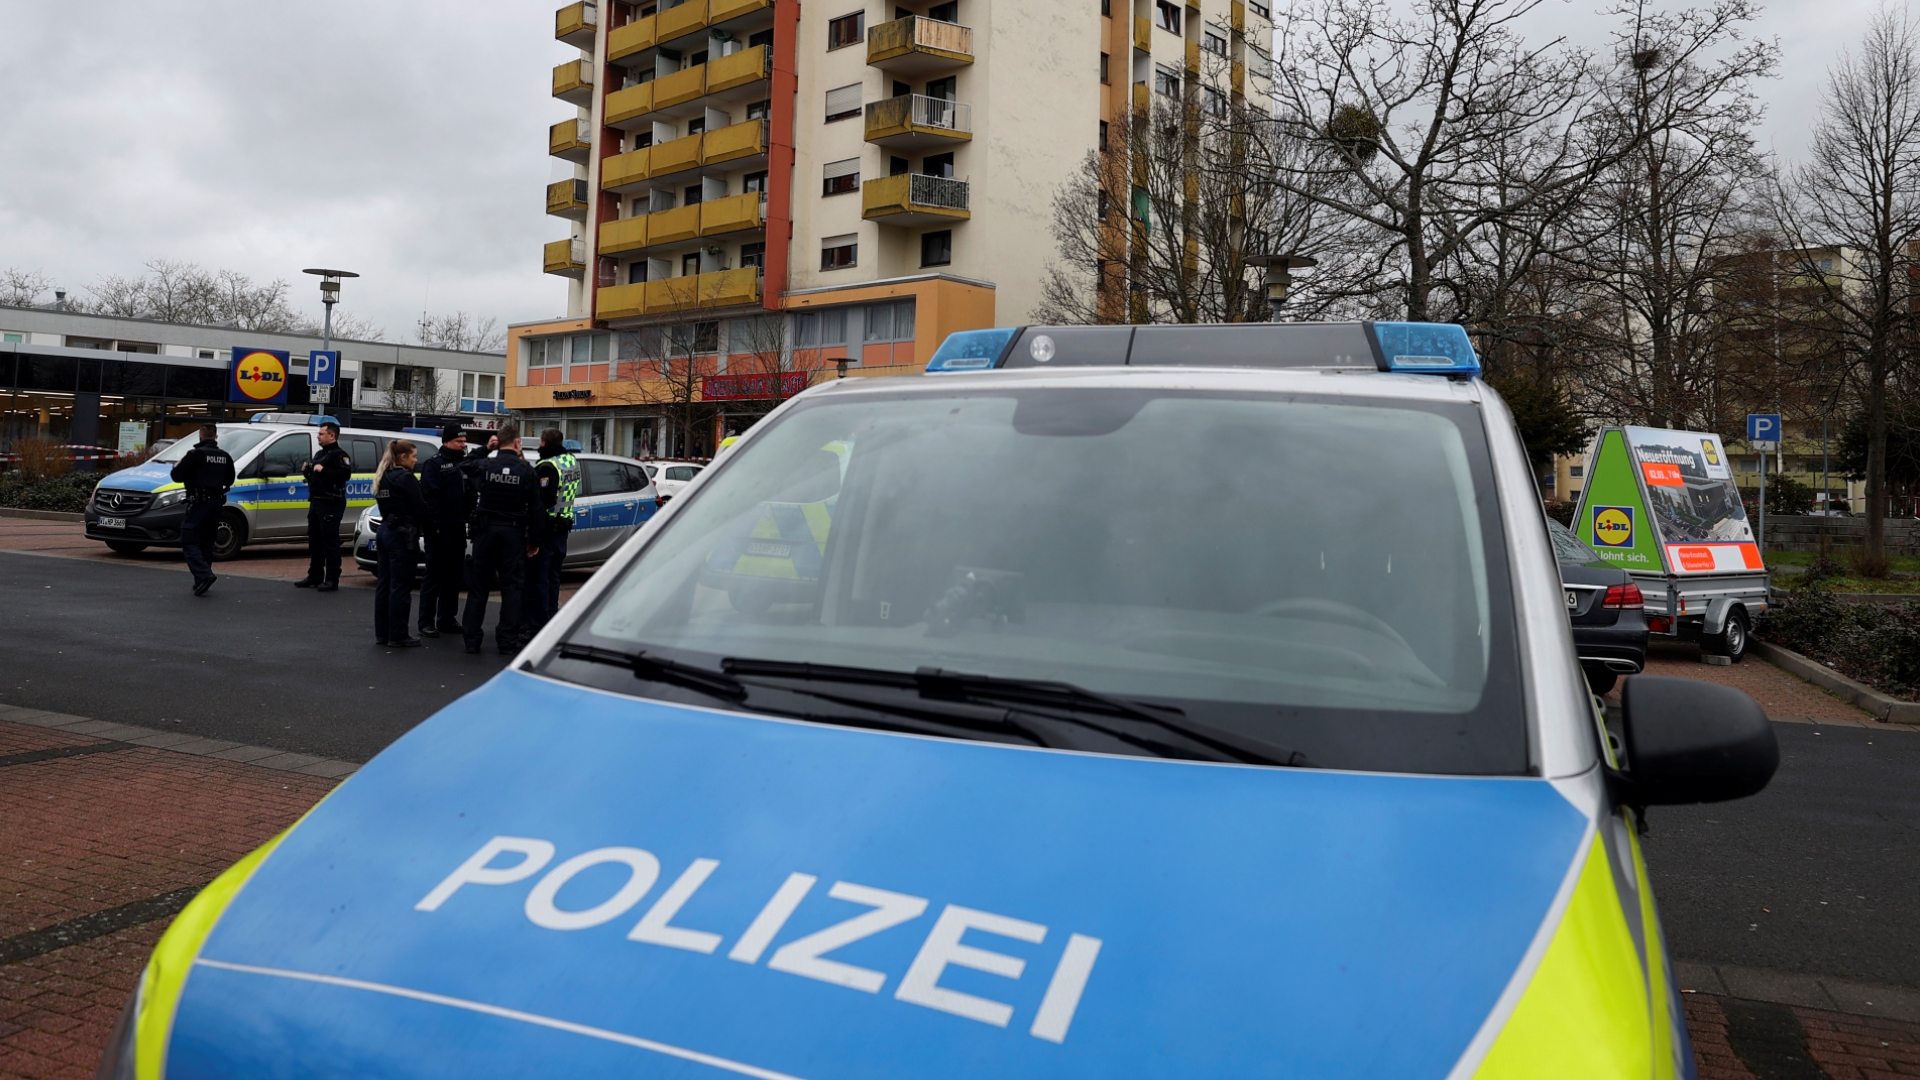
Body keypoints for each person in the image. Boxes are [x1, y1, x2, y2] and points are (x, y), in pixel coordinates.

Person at [461, 425, 542, 655]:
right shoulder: (526, 470)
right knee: (512, 588)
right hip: (513, 534)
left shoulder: (486, 465)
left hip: (485, 533)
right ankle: (506, 641)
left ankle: (471, 640)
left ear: (497, 442)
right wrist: (535, 540)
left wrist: (485, 449)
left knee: (478, 587)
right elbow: (537, 508)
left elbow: (464, 464)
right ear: (517, 443)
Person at [372, 439, 428, 648]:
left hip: (385, 531)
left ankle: (383, 633)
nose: (416, 460)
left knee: (384, 585)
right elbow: (420, 508)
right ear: (403, 457)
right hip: (402, 534)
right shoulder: (405, 478)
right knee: (401, 586)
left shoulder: (383, 476)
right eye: (413, 456)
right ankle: (398, 634)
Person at [417, 424, 470, 637]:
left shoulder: (464, 464)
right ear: (447, 441)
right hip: (439, 530)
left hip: (458, 528)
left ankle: (447, 618)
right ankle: (426, 621)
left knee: (454, 576)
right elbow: (430, 498)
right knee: (434, 577)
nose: (463, 445)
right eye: (459, 441)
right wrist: (435, 526)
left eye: (464, 441)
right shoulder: (434, 464)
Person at [169, 423, 234, 597]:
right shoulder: (225, 456)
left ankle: (204, 575)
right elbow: (230, 479)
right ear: (216, 436)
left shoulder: (195, 455)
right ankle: (201, 580)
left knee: (188, 540)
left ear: (200, 436)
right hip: (216, 504)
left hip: (199, 504)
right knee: (207, 542)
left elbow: (176, 475)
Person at [526, 428, 580, 630]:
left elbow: (544, 499)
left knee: (540, 578)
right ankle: (551, 617)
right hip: (563, 526)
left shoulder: (547, 466)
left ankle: (539, 624)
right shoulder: (571, 460)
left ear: (543, 443)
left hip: (547, 527)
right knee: (553, 577)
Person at [295, 421, 353, 592]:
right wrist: (308, 470)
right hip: (317, 501)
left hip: (331, 502)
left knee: (330, 541)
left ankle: (332, 579)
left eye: (321, 434)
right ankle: (315, 575)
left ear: (332, 436)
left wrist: (323, 470)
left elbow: (344, 474)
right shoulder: (320, 454)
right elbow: (315, 476)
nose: (318, 437)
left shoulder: (340, 455)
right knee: (314, 540)